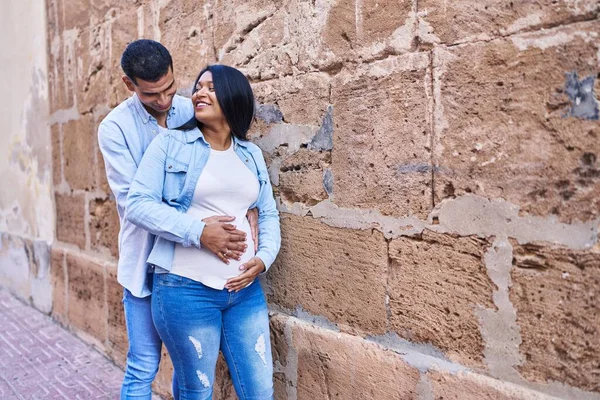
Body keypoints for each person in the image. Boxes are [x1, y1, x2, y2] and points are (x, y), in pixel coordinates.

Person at [98, 40, 257, 400]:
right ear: (129, 85)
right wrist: (199, 226)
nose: (165, 100)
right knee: (143, 363)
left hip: (191, 269)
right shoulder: (114, 129)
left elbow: (227, 163)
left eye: (170, 88)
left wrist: (250, 207)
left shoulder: (193, 108)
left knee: (187, 367)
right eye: (152, 94)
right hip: (145, 260)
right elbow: (134, 204)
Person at [125, 64, 280, 399]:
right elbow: (137, 204)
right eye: (197, 87)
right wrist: (198, 232)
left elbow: (267, 212)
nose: (199, 93)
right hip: (185, 290)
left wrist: (264, 257)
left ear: (232, 95)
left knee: (260, 389)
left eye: (210, 87)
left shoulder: (250, 154)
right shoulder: (170, 144)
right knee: (197, 390)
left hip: (245, 293)